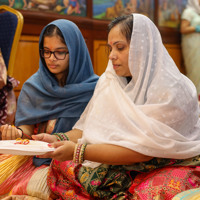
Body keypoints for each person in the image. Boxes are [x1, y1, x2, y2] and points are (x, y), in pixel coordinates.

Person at [31, 13, 200, 199]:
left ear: (142, 48)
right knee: (60, 165)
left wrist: (77, 151)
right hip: (121, 159)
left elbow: (144, 151)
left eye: (120, 48)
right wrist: (56, 138)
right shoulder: (111, 81)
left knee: (155, 191)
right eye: (110, 48)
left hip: (168, 160)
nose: (111, 56)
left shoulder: (173, 90)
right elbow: (90, 128)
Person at [0, 19, 98, 198]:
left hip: (78, 159)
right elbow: (27, 132)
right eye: (46, 52)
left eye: (60, 52)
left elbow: (93, 134)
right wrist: (17, 134)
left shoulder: (96, 89)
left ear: (75, 52)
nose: (52, 58)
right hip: (37, 160)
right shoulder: (34, 86)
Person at [180, 0, 200, 98]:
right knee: (194, 71)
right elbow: (183, 29)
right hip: (191, 45)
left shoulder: (197, 13)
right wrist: (197, 28)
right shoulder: (188, 12)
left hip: (198, 44)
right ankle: (193, 98)